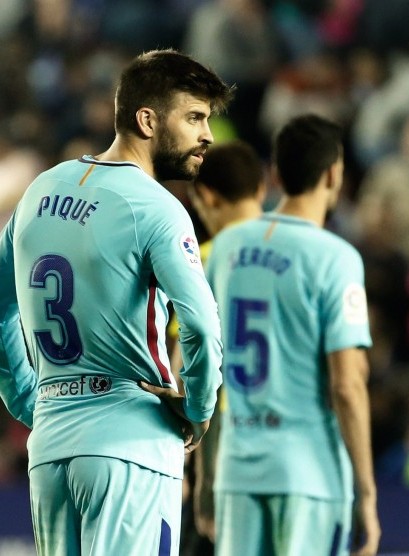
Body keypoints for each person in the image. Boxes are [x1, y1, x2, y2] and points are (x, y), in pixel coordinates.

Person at [0, 49, 232, 555]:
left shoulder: (38, 192)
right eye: (194, 117)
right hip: (130, 444)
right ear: (147, 119)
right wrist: (197, 407)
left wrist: (27, 399)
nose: (207, 135)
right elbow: (201, 325)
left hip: (51, 447)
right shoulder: (156, 208)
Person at [198, 114, 381, 555]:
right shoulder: (336, 259)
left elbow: (202, 365)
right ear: (334, 175)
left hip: (237, 471)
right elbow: (347, 384)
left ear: (275, 175)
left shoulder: (224, 250)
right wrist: (368, 494)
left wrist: (206, 475)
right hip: (308, 473)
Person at [169, 140, 266, 556]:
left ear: (204, 197)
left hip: (224, 449)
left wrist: (191, 469)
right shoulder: (304, 254)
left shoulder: (202, 261)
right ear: (261, 190)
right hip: (292, 450)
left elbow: (186, 368)